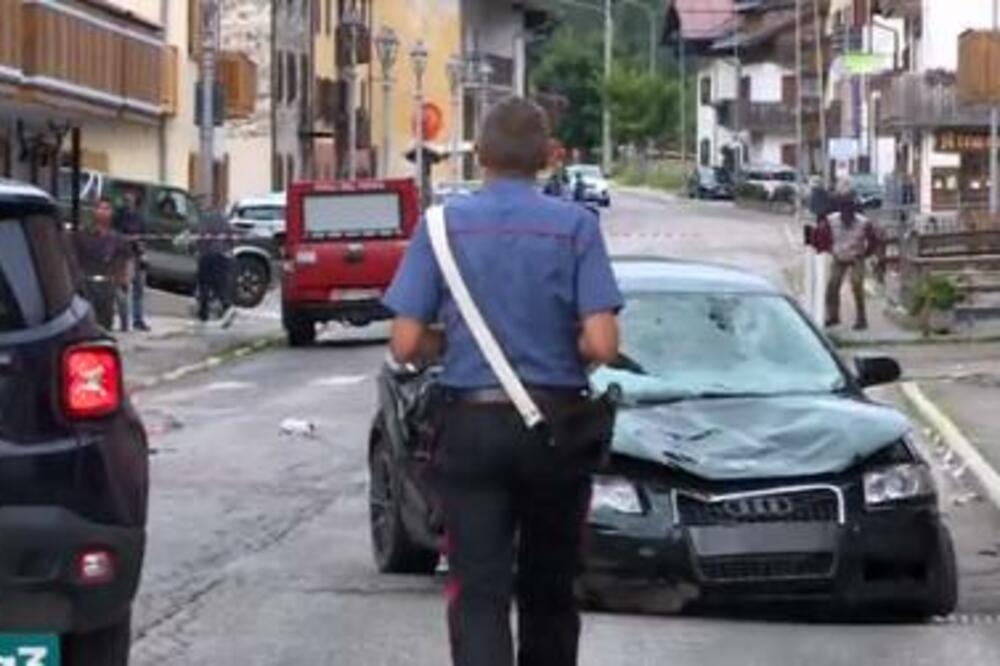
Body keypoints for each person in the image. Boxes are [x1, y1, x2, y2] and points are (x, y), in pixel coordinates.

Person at [383, 97, 622, 666]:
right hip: (556, 430)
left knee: (478, 591)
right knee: (550, 590)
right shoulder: (576, 227)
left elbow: (406, 343)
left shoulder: (439, 227)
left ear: (481, 154)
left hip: (469, 427)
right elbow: (603, 344)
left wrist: (453, 343)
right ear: (548, 157)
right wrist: (560, 350)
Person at [824, 186, 883, 330]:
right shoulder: (831, 220)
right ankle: (833, 316)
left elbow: (873, 240)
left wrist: (865, 254)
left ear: (853, 210)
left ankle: (861, 319)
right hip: (839, 256)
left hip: (856, 257)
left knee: (857, 285)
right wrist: (830, 249)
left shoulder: (863, 222)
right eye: (844, 211)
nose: (846, 215)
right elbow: (822, 235)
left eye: (849, 211)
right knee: (832, 285)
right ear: (840, 210)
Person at [72, 200, 129, 330]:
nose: (103, 212)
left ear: (112, 213)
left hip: (107, 285)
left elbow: (124, 259)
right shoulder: (82, 234)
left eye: (107, 209)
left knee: (105, 323)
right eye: (100, 208)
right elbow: (73, 257)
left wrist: (122, 279)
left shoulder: (117, 238)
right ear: (94, 211)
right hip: (86, 284)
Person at [114, 190, 150, 331]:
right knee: (124, 288)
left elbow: (144, 235)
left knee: (138, 289)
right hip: (125, 256)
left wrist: (143, 250)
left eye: (131, 199)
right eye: (126, 199)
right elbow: (117, 234)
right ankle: (124, 320)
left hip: (138, 255)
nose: (128, 201)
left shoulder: (140, 217)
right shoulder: (120, 217)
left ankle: (137, 319)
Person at [196, 211, 235, 325]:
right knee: (220, 285)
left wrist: (200, 250)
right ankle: (226, 306)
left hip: (207, 256)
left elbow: (201, 238)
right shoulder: (225, 221)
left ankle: (203, 313)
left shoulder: (204, 219)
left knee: (204, 285)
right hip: (221, 256)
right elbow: (231, 239)